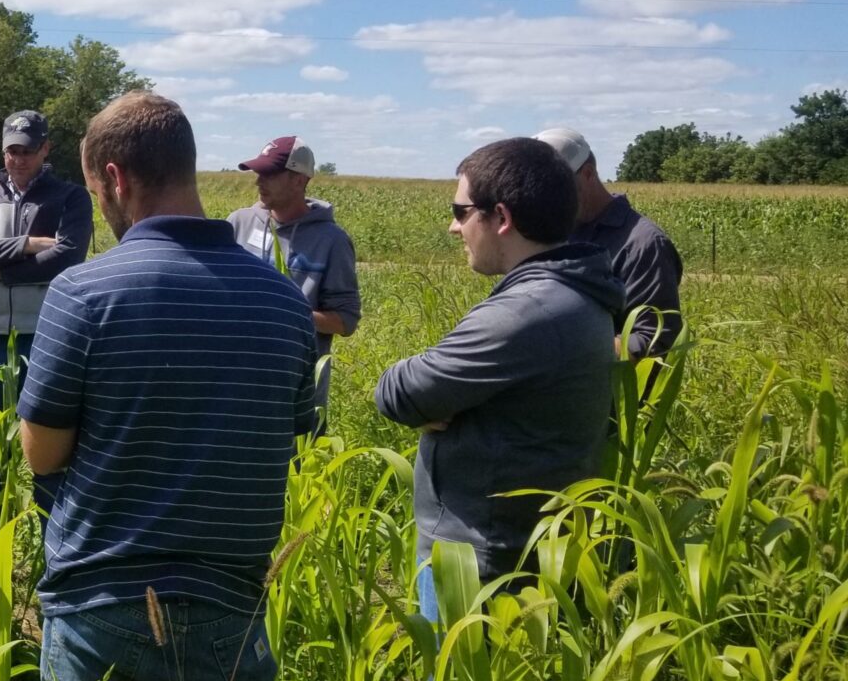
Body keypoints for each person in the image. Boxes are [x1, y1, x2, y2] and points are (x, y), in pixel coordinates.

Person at [19, 92, 318, 681]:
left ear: (116, 178)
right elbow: (285, 434)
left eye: (97, 192)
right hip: (231, 603)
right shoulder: (285, 304)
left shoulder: (84, 293)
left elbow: (41, 453)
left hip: (101, 601)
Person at [375, 138, 623, 623]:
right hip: (517, 553)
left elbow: (398, 393)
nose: (453, 226)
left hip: (479, 565)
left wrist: (437, 400)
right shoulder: (574, 292)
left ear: (502, 218)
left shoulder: (526, 312)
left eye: (461, 210)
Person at [0, 109, 94, 507]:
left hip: (49, 334)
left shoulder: (69, 197)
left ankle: (52, 532)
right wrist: (28, 245)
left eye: (27, 150)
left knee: (51, 441)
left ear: (45, 148)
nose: (18, 159)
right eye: (11, 150)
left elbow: (67, 255)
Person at [227, 135, 361, 417]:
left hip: (295, 395)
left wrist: (285, 312)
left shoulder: (331, 241)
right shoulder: (238, 223)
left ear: (299, 180)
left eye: (270, 174)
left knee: (295, 460)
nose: (258, 181)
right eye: (258, 172)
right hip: (234, 382)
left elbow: (346, 320)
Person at [534, 126, 684, 358]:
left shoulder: (642, 243)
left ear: (588, 173)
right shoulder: (552, 232)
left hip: (615, 390)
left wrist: (559, 353)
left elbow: (652, 338)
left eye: (559, 188)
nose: (551, 200)